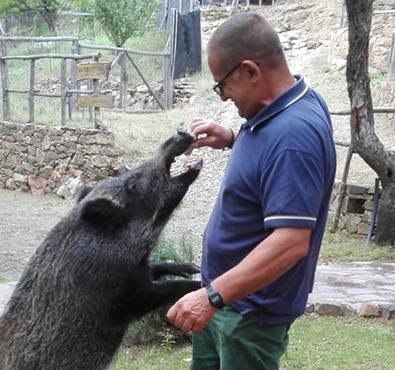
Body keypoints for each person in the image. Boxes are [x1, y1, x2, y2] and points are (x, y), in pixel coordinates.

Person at [166, 12, 337, 370]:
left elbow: (290, 242)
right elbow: (273, 161)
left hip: (246, 312)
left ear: (250, 71)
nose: (224, 97)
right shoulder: (289, 104)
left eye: (222, 84)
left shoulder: (293, 136)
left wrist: (212, 297)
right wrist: (231, 138)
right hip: (226, 301)